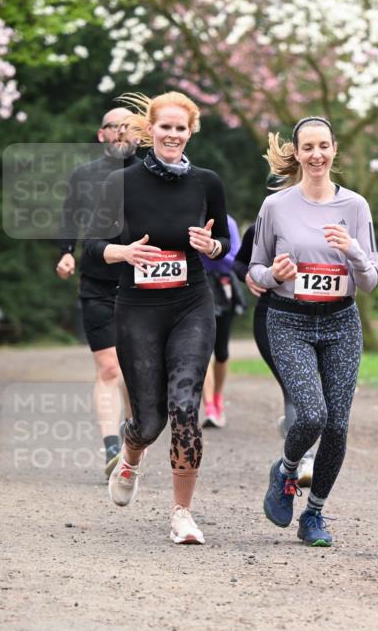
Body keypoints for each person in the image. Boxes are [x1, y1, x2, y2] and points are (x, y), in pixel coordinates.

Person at [86, 91, 230, 545]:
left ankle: (182, 513)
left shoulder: (207, 182)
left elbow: (223, 241)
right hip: (138, 307)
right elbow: (90, 245)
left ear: (191, 132)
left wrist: (212, 249)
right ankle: (130, 456)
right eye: (164, 127)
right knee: (149, 422)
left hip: (191, 302)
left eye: (180, 128)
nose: (172, 135)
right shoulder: (122, 182)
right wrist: (123, 251)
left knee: (186, 403)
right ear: (150, 130)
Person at [249, 116, 378, 547]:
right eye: (308, 147)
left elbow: (371, 280)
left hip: (342, 321)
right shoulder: (276, 206)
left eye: (324, 145)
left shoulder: (355, 207)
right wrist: (273, 273)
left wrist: (354, 251)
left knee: (338, 427)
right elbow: (255, 270)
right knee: (312, 414)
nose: (317, 155)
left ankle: (314, 515)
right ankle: (286, 471)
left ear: (335, 149)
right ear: (297, 152)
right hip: (290, 320)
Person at [55, 108, 139, 478]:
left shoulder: (152, 172)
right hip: (97, 281)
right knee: (109, 367)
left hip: (143, 284)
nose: (121, 132)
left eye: (129, 127)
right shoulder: (84, 175)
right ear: (100, 134)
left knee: (136, 370)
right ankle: (111, 446)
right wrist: (64, 252)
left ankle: (133, 436)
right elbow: (69, 217)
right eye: (114, 127)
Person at [234, 221, 315, 487]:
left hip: (323, 318)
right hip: (273, 316)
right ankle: (305, 459)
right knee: (295, 388)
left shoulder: (329, 220)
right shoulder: (262, 226)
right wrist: (249, 275)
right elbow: (240, 262)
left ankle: (294, 431)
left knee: (314, 394)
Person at [201, 214, 243, 428]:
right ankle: (209, 406)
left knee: (221, 351)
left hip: (222, 288)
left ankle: (217, 397)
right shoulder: (188, 217)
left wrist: (210, 249)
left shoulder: (228, 222)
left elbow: (236, 260)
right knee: (201, 350)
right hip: (196, 287)